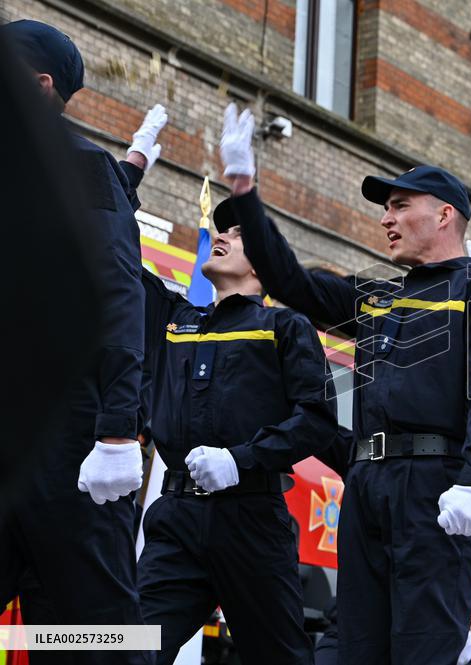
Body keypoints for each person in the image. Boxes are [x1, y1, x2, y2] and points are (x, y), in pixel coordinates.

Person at [213, 104, 471, 665]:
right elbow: (291, 282)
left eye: (400, 206)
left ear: (445, 215)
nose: (386, 218)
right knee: (350, 647)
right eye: (386, 209)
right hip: (367, 483)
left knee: (423, 649)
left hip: (435, 488)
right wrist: (246, 191)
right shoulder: (376, 297)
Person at [136, 162, 344, 662]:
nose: (219, 236)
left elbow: (315, 420)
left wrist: (241, 459)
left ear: (262, 265)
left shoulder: (285, 326)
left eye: (237, 233)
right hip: (177, 520)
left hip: (251, 521)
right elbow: (114, 255)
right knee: (127, 645)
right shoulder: (176, 319)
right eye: (219, 229)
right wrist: (127, 173)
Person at [0, 20, 151, 664]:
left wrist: (117, 431)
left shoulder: (83, 166)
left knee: (90, 633)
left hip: (69, 447)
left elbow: (118, 291)